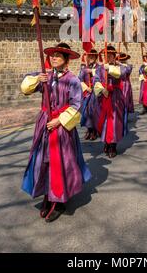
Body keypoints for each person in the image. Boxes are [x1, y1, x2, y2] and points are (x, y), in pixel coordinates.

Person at [21, 43, 91, 223]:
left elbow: (77, 106)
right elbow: (25, 89)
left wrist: (59, 121)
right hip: (44, 124)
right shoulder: (46, 76)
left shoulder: (73, 80)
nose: (54, 58)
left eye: (58, 55)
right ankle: (47, 193)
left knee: (60, 162)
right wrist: (38, 80)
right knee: (42, 160)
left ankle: (59, 200)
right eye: (52, 55)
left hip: (61, 127)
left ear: (66, 60)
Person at [94, 45, 128, 159]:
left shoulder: (120, 67)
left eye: (110, 56)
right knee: (104, 121)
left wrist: (111, 69)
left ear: (114, 57)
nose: (108, 58)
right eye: (106, 56)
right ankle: (106, 142)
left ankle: (113, 144)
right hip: (103, 96)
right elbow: (96, 80)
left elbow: (124, 73)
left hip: (116, 97)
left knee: (114, 122)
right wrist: (102, 90)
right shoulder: (100, 68)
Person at [79, 49, 101, 141]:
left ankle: (95, 131)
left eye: (93, 56)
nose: (91, 58)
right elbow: (79, 79)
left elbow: (101, 78)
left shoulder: (99, 68)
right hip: (87, 94)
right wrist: (86, 87)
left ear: (96, 57)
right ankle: (89, 130)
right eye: (89, 56)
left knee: (95, 113)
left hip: (96, 94)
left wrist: (92, 72)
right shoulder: (84, 68)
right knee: (86, 113)